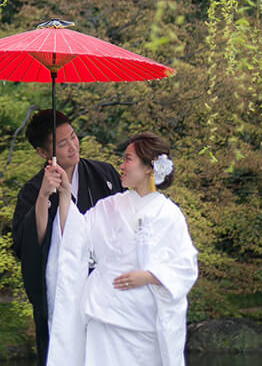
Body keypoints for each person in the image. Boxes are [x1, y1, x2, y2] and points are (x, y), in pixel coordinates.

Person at [45, 132, 198, 366]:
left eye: (128, 159)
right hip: (103, 313)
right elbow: (76, 238)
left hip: (143, 318)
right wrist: (65, 192)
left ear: (148, 167)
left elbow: (185, 266)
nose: (121, 166)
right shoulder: (109, 206)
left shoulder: (168, 214)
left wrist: (149, 276)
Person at [11, 109, 122, 366]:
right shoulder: (32, 190)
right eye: (62, 144)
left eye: (73, 137)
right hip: (61, 294)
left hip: (104, 292)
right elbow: (28, 247)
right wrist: (43, 197)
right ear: (42, 153)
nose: (73, 146)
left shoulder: (104, 174)